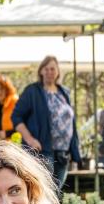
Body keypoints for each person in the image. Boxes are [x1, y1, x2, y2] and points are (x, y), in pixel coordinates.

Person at [12, 55, 82, 192]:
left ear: (57, 72)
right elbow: (16, 117)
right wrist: (30, 139)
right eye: (47, 69)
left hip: (63, 152)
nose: (50, 72)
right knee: (45, 191)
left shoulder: (64, 92)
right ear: (41, 71)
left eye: (53, 69)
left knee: (56, 192)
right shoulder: (32, 91)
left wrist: (75, 152)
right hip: (43, 150)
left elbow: (71, 122)